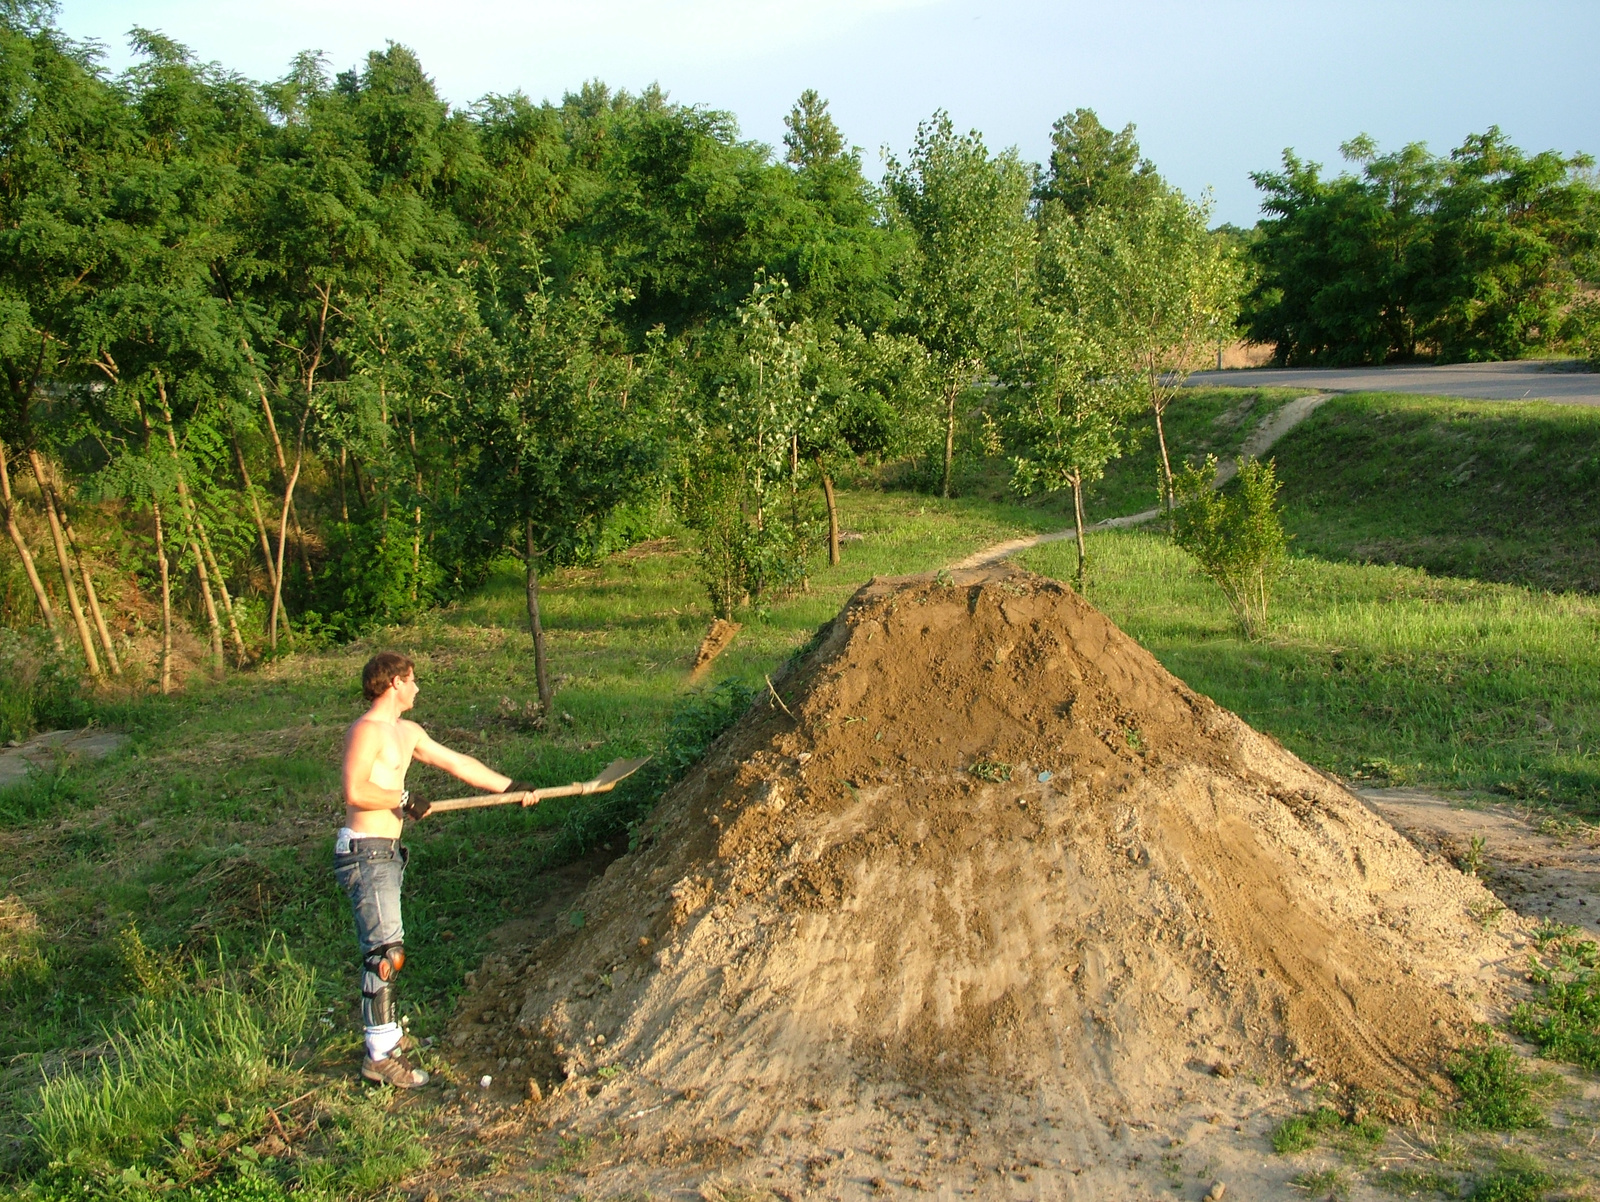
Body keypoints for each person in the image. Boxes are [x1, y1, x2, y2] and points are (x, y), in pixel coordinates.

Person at [337, 651, 531, 1087]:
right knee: (385, 954)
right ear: (393, 684)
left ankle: (386, 1035)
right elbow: (355, 790)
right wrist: (401, 799)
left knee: (390, 947)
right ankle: (379, 1056)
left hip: (387, 851)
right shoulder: (366, 731)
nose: (417, 687)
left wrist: (511, 788)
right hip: (364, 852)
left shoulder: (407, 732)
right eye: (412, 680)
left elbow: (455, 762)